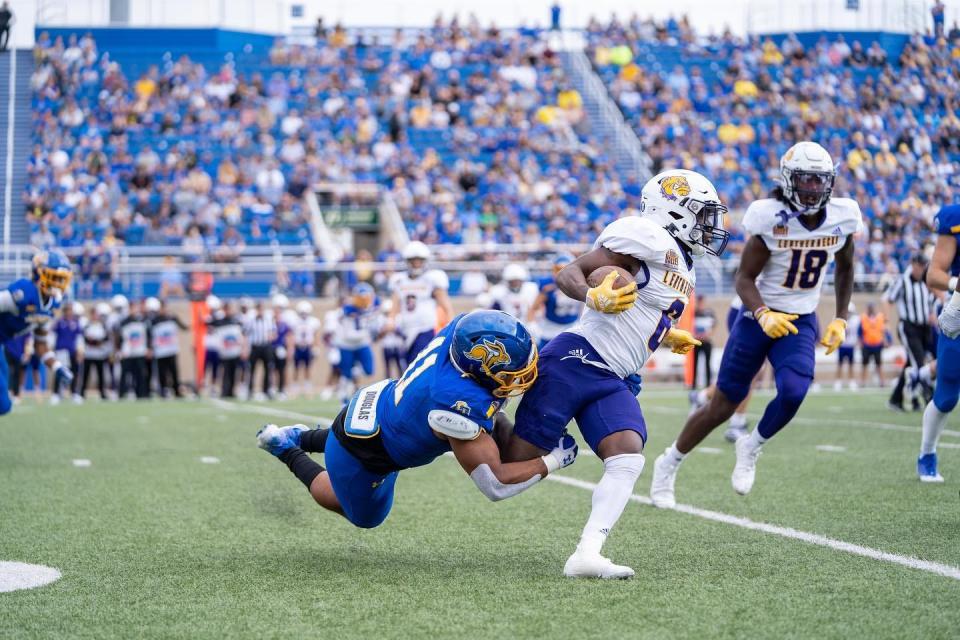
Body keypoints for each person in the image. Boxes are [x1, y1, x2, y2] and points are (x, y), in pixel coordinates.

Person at [502, 169, 727, 578]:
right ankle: (465, 420)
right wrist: (592, 295)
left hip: (614, 375)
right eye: (702, 214)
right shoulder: (647, 236)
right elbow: (569, 272)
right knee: (512, 465)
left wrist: (663, 333)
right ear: (674, 211)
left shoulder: (682, 263)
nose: (710, 225)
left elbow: (644, 307)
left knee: (627, 454)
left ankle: (587, 553)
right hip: (576, 360)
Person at [650, 142, 860, 508]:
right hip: (756, 317)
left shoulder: (844, 216)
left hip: (801, 318)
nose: (812, 187)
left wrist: (840, 317)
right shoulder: (770, 216)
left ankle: (752, 445)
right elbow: (744, 278)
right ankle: (669, 462)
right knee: (723, 403)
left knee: (794, 391)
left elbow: (845, 269)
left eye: (818, 180)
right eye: (805, 180)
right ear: (788, 180)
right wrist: (763, 313)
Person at [257, 310, 576, 530]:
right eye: (512, 375)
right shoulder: (453, 405)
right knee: (363, 515)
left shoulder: (464, 328)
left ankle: (301, 436)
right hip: (366, 454)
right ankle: (285, 448)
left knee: (370, 435)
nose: (524, 378)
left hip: (383, 407)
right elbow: (494, 484)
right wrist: (554, 461)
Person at [916, 203, 960, 482]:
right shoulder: (954, 219)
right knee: (946, 396)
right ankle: (927, 452)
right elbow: (934, 274)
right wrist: (957, 284)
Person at [0, 250, 74, 414]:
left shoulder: (51, 306)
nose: (57, 284)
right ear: (38, 273)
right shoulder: (24, 293)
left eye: (61, 279)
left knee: (3, 406)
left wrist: (57, 367)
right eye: (53, 277)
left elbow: (40, 344)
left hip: (2, 344)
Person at [387, 241, 453, 364]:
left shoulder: (432, 279)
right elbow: (395, 305)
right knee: (406, 365)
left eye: (419, 260)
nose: (416, 264)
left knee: (421, 363)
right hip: (404, 329)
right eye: (413, 260)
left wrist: (450, 323)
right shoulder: (399, 280)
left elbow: (445, 304)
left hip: (425, 329)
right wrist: (390, 320)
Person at [885, 253, 935, 411]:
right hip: (909, 327)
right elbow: (887, 300)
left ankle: (896, 399)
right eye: (919, 265)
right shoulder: (902, 280)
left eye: (924, 266)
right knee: (919, 363)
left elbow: (930, 303)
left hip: (924, 328)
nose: (921, 269)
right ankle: (929, 398)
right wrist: (886, 323)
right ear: (913, 264)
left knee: (912, 363)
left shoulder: (925, 281)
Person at [332, 283, 383, 404]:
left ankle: (355, 371)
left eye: (367, 297)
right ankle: (343, 397)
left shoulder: (374, 305)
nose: (364, 300)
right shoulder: (348, 309)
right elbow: (349, 331)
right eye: (361, 298)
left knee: (369, 370)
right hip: (347, 345)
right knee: (346, 374)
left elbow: (376, 314)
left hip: (362, 343)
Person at [527, 254, 581, 349]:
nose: (561, 273)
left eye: (565, 269)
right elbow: (533, 308)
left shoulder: (580, 284)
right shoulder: (548, 286)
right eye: (558, 269)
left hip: (573, 328)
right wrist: (532, 324)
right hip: (550, 330)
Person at [147, 298, 188, 398]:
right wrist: (150, 348)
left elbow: (184, 327)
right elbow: (149, 335)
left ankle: (176, 391)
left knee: (174, 372)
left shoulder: (172, 318)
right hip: (160, 351)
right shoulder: (154, 321)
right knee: (162, 373)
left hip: (171, 349)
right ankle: (163, 391)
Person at [115, 300, 151, 399]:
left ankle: (141, 394)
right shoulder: (124, 322)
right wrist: (119, 350)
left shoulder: (142, 321)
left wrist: (148, 348)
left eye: (135, 308)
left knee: (140, 374)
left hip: (140, 352)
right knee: (125, 374)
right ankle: (121, 394)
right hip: (127, 352)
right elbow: (119, 337)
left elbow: (147, 335)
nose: (134, 310)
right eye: (132, 308)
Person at [51, 302, 84, 404]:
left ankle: (74, 393)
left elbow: (79, 338)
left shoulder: (76, 323)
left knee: (74, 372)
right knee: (60, 372)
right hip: (61, 351)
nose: (69, 312)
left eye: (70, 310)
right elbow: (53, 336)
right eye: (67, 310)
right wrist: (52, 350)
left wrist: (80, 351)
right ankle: (56, 394)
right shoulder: (59, 322)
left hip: (72, 351)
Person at [211, 301, 245, 398]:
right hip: (225, 352)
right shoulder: (220, 321)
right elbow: (209, 323)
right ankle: (225, 391)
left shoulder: (235, 321)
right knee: (225, 372)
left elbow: (241, 335)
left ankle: (232, 391)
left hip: (235, 351)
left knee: (234, 372)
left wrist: (242, 348)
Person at [244, 301, 276, 400]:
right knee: (251, 369)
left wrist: (271, 337)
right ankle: (249, 390)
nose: (260, 311)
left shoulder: (268, 320)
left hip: (266, 347)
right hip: (255, 347)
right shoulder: (251, 320)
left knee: (268, 369)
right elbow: (245, 333)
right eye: (258, 309)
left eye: (261, 309)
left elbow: (273, 332)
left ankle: (266, 391)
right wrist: (245, 348)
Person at [81, 304, 111, 400]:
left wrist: (96, 341)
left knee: (101, 375)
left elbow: (105, 339)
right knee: (86, 375)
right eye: (93, 314)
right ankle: (82, 393)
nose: (95, 316)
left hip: (99, 355)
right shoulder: (87, 326)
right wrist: (95, 342)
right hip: (89, 354)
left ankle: (102, 393)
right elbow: (85, 339)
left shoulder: (102, 326)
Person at [291, 300, 321, 396]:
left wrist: (316, 347)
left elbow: (316, 335)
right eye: (302, 312)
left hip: (308, 347)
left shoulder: (313, 321)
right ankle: (295, 388)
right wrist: (291, 347)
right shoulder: (295, 321)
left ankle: (308, 387)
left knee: (308, 368)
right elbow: (291, 335)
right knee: (296, 368)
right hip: (298, 346)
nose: (304, 314)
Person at [859, 302, 887, 388]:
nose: (871, 309)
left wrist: (886, 340)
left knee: (879, 364)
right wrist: (861, 342)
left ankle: (882, 382)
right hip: (866, 345)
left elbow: (884, 330)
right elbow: (859, 331)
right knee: (864, 364)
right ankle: (863, 382)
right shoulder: (863, 318)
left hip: (877, 344)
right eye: (870, 307)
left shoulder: (880, 318)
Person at [692, 298, 717, 389]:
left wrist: (707, 335)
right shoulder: (693, 313)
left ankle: (708, 384)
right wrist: (696, 335)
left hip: (707, 342)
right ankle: (693, 384)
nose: (701, 304)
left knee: (707, 363)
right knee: (694, 364)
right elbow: (691, 326)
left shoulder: (710, 313)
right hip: (696, 342)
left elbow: (713, 327)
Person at [835, 303, 859, 391]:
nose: (848, 313)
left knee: (851, 365)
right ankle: (838, 381)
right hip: (841, 345)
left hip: (851, 345)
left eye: (849, 312)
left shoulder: (856, 320)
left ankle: (851, 381)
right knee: (840, 365)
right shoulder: (838, 319)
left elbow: (857, 332)